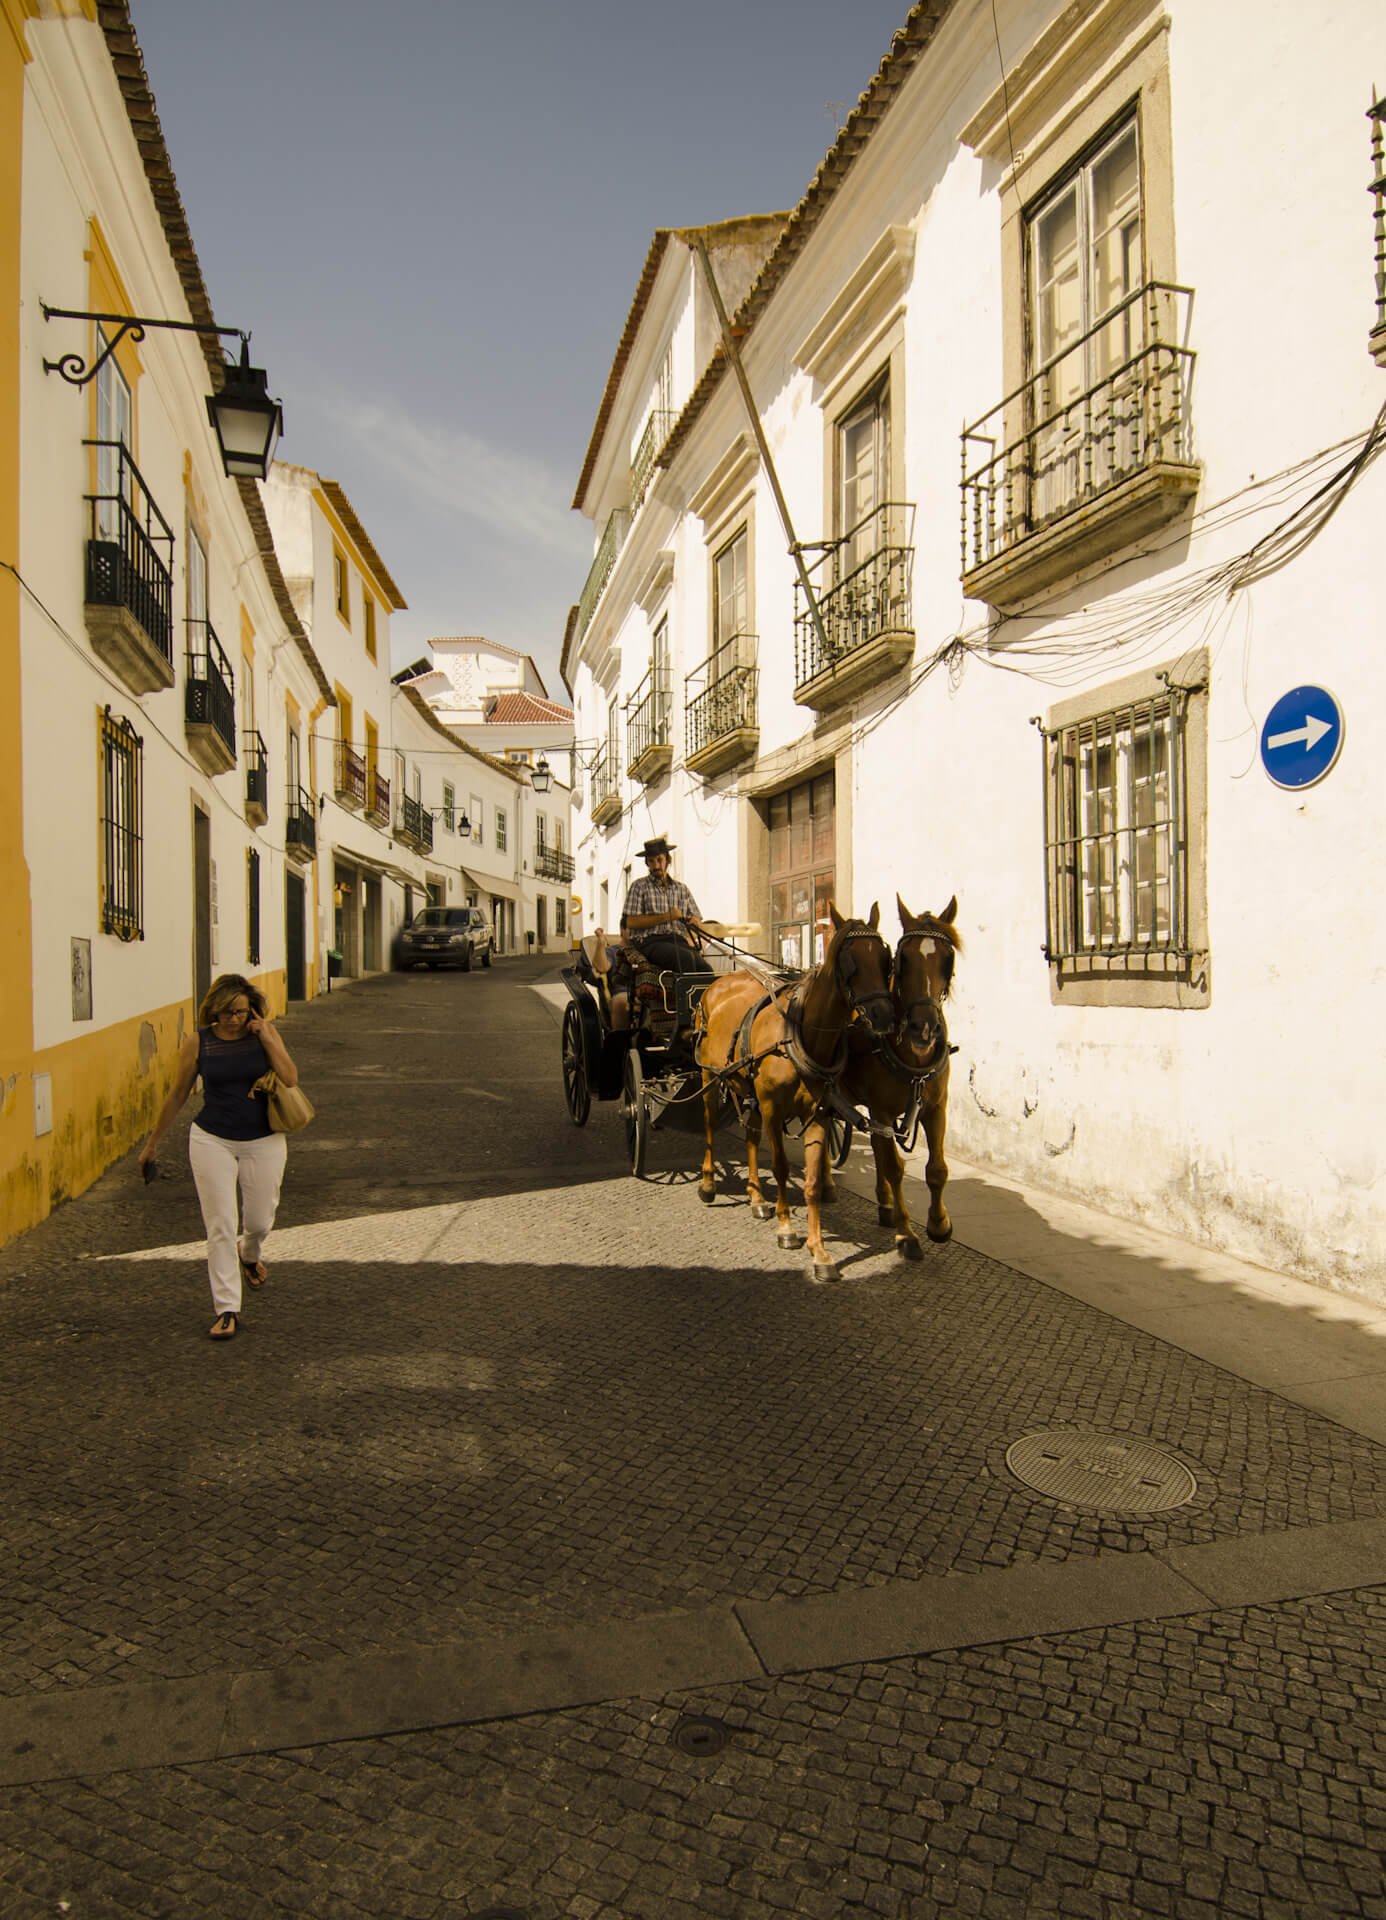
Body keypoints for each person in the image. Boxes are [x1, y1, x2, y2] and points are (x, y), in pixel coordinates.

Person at [138, 973, 300, 1341]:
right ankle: (227, 1308)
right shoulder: (199, 1043)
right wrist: (152, 1144)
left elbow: (289, 1077)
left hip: (265, 1138)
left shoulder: (264, 1034)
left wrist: (264, 1036)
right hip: (212, 1139)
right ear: (213, 1010)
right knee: (220, 1224)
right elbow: (178, 1094)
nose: (232, 1019)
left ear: (251, 1010)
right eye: (226, 1012)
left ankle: (250, 1253)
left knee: (259, 1220)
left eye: (240, 1012)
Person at [622, 837, 705, 976]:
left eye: (659, 860)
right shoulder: (639, 886)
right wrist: (667, 916)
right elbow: (630, 922)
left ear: (668, 860)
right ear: (647, 863)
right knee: (685, 959)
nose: (656, 866)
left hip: (678, 941)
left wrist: (695, 922)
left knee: (706, 970)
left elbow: (696, 917)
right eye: (651, 861)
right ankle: (684, 997)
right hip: (649, 941)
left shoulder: (681, 889)